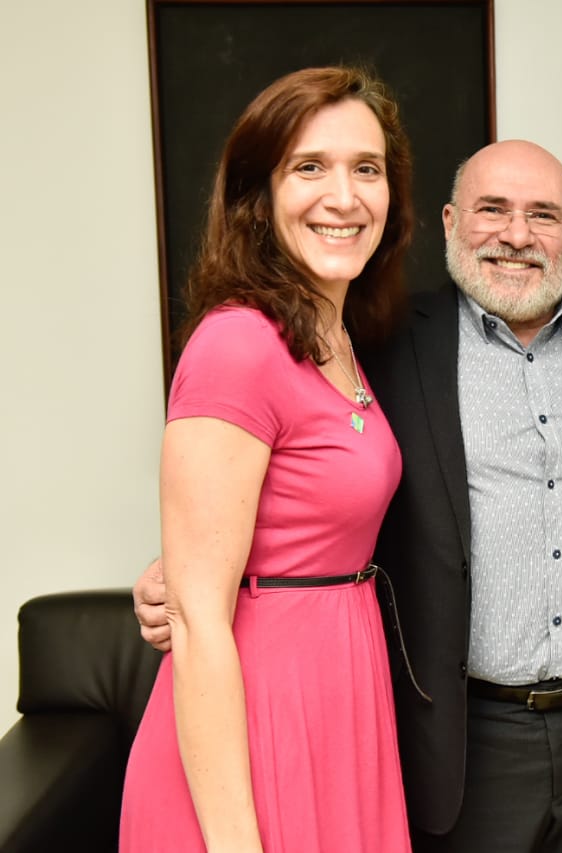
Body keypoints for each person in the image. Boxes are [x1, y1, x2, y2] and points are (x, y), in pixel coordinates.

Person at [136, 139, 562, 852]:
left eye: (543, 215)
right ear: (450, 222)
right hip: (462, 734)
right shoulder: (376, 343)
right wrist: (182, 573)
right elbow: (311, 483)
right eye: (492, 209)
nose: (516, 235)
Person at [120, 67, 414, 852]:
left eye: (367, 168)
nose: (344, 197)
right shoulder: (237, 343)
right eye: (309, 167)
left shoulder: (340, 336)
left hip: (340, 700)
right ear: (259, 194)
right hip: (254, 720)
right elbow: (196, 616)